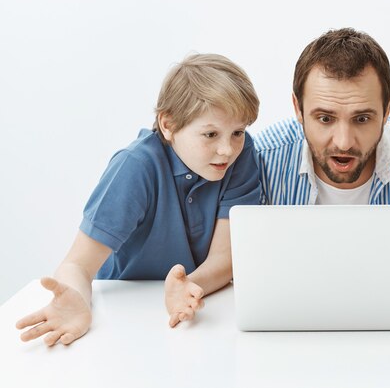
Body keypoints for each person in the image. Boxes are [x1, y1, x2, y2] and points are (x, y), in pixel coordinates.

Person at [15, 54, 261, 345]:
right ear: (168, 125)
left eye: (237, 132)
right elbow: (78, 265)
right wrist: (77, 298)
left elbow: (224, 258)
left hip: (195, 312)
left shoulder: (242, 157)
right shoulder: (135, 166)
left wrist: (189, 286)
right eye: (210, 134)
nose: (227, 150)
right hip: (123, 313)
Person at [254, 27, 390, 205]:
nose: (344, 143)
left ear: (387, 110)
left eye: (362, 119)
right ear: (298, 108)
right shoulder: (261, 160)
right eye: (325, 119)